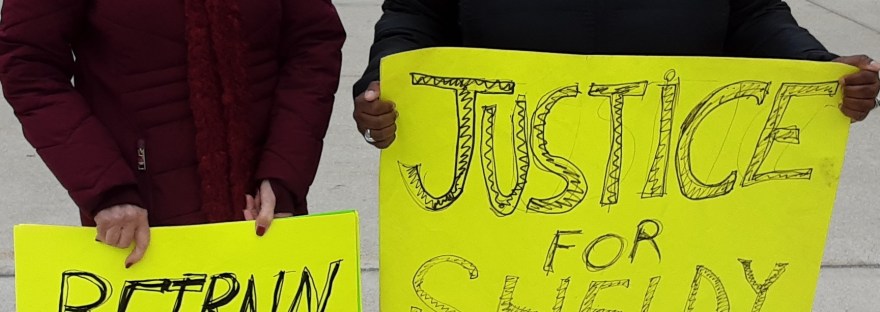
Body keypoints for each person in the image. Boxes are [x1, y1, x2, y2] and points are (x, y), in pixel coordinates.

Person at [0, 0, 345, 267]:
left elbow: (313, 42)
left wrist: (285, 172)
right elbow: (29, 66)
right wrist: (106, 188)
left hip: (263, 213)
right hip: (137, 219)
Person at [353, 0, 880, 149]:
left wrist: (814, 69)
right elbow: (416, 13)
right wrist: (388, 80)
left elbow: (751, 13)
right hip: (501, 174)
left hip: (670, 177)